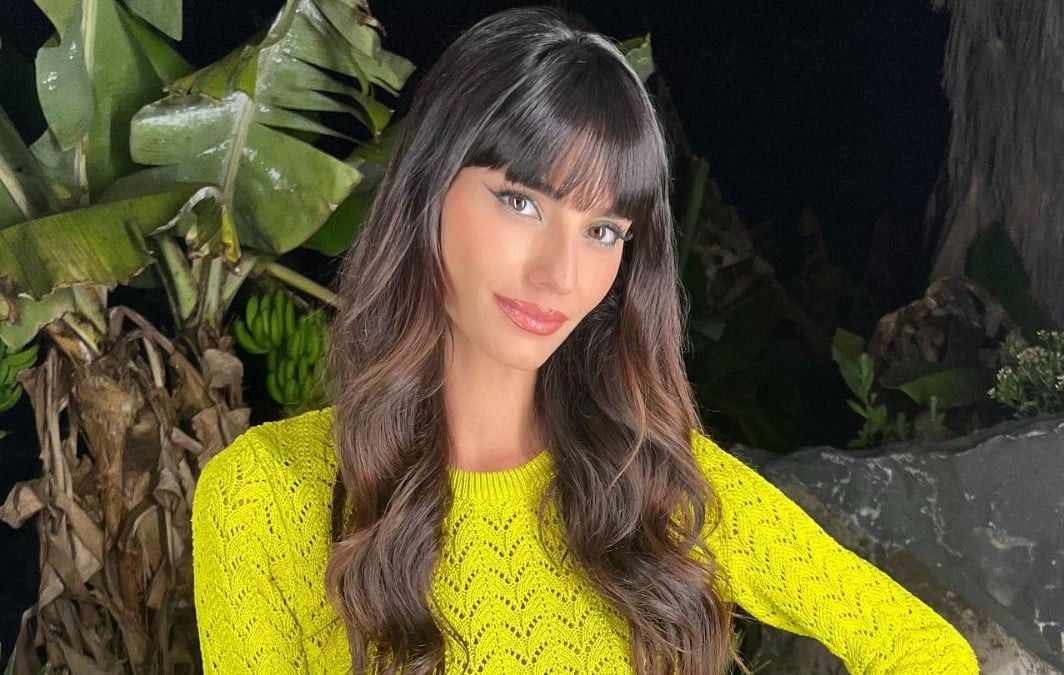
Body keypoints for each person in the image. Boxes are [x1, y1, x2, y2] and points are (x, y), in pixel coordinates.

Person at [191, 6, 979, 674]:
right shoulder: (263, 497)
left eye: (603, 229)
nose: (560, 275)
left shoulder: (657, 485)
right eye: (521, 202)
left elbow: (926, 649)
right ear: (428, 190)